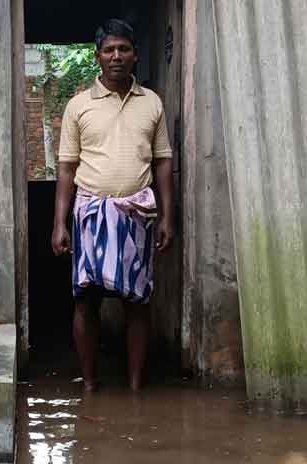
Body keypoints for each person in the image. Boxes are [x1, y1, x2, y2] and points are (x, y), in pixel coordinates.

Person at [51, 19, 175, 392]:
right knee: (86, 299)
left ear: (135, 55)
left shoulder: (151, 102)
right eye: (109, 50)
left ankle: (136, 385)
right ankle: (90, 384)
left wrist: (168, 216)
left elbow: (163, 161)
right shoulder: (78, 106)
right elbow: (66, 167)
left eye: (123, 49)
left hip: (137, 213)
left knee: (137, 300)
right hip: (90, 213)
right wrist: (60, 223)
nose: (116, 56)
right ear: (97, 57)